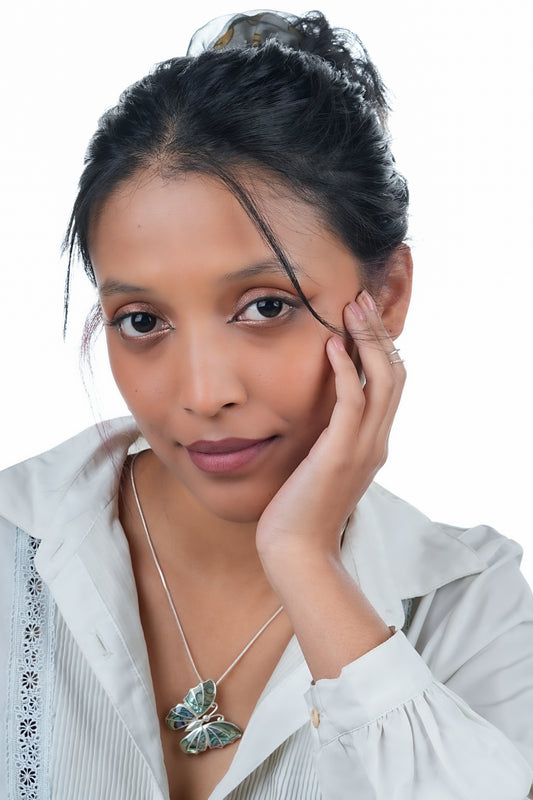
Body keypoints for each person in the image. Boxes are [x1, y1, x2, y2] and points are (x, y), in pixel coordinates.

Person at [1, 9, 532, 799]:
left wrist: (304, 561)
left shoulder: (468, 604)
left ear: (385, 295)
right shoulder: (13, 547)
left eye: (265, 307)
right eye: (141, 321)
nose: (204, 393)